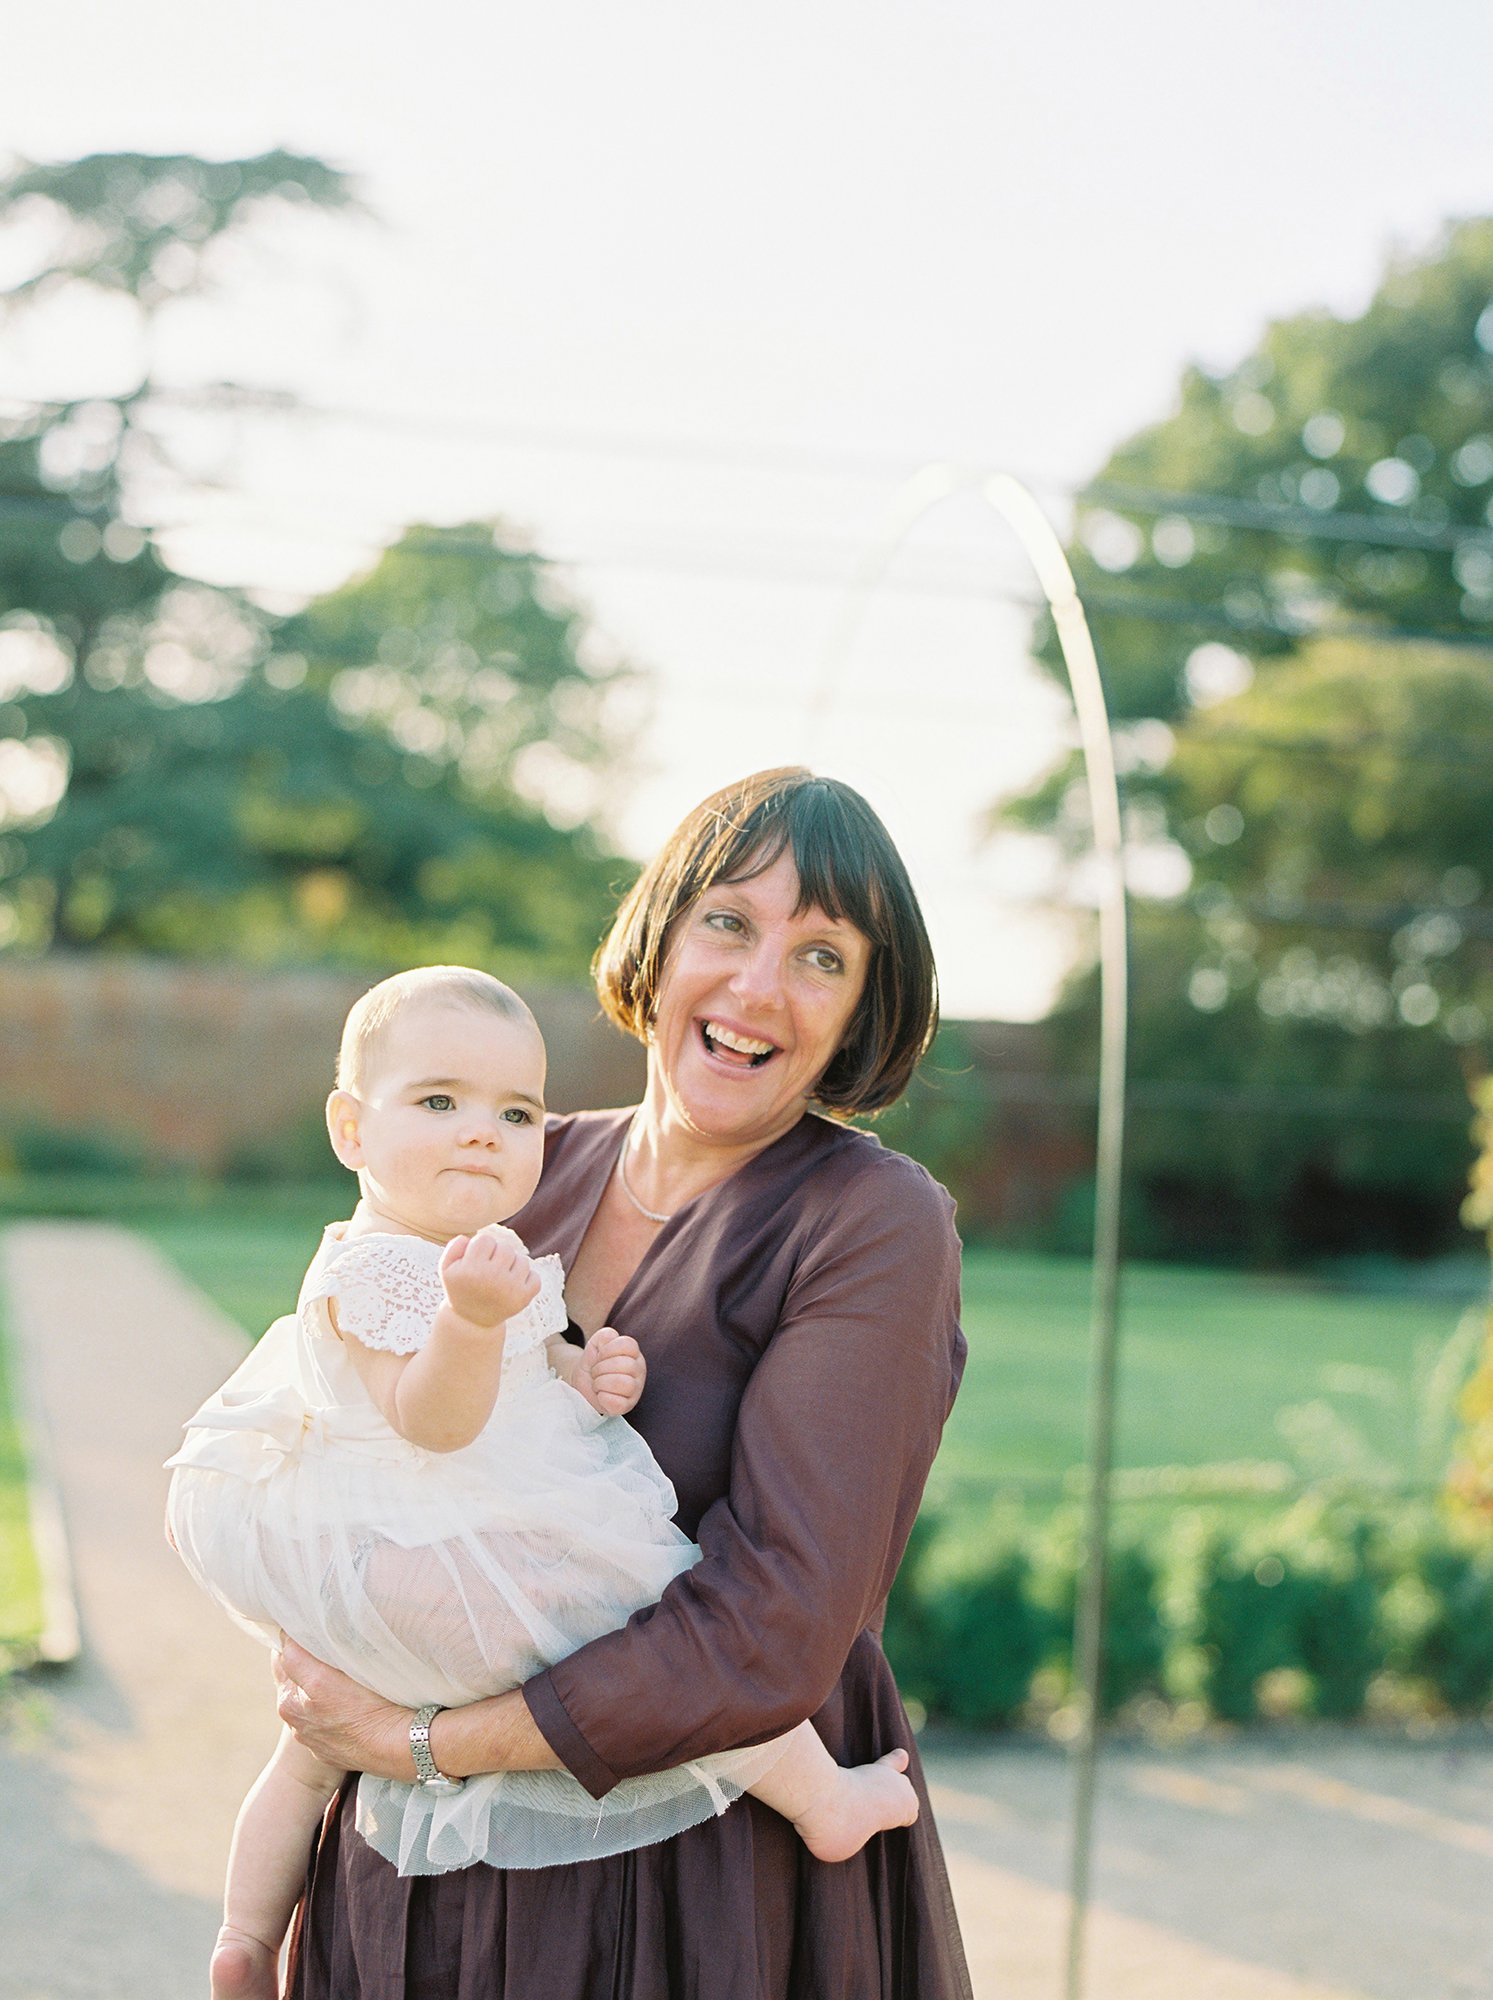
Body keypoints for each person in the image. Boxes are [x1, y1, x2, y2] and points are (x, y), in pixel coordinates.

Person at [273, 767, 974, 2000]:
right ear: (657, 936)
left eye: (821, 955)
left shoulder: (870, 1221)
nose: (757, 986)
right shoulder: (507, 1159)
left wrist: (417, 1738)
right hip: (422, 1872)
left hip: (698, 1891)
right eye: (728, 921)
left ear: (862, 1007)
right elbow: (351, 1425)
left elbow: (769, 1630)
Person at [166, 965, 922, 2000]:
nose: (482, 1133)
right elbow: (433, 1419)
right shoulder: (372, 1270)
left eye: (516, 1112)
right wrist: (470, 1324)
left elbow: (536, 1362)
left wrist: (584, 1369)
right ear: (350, 1129)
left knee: (309, 1756)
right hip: (431, 1550)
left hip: (422, 1562)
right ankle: (820, 1797)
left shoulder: (482, 1254)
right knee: (649, 1617)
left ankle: (246, 1938)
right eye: (439, 1101)